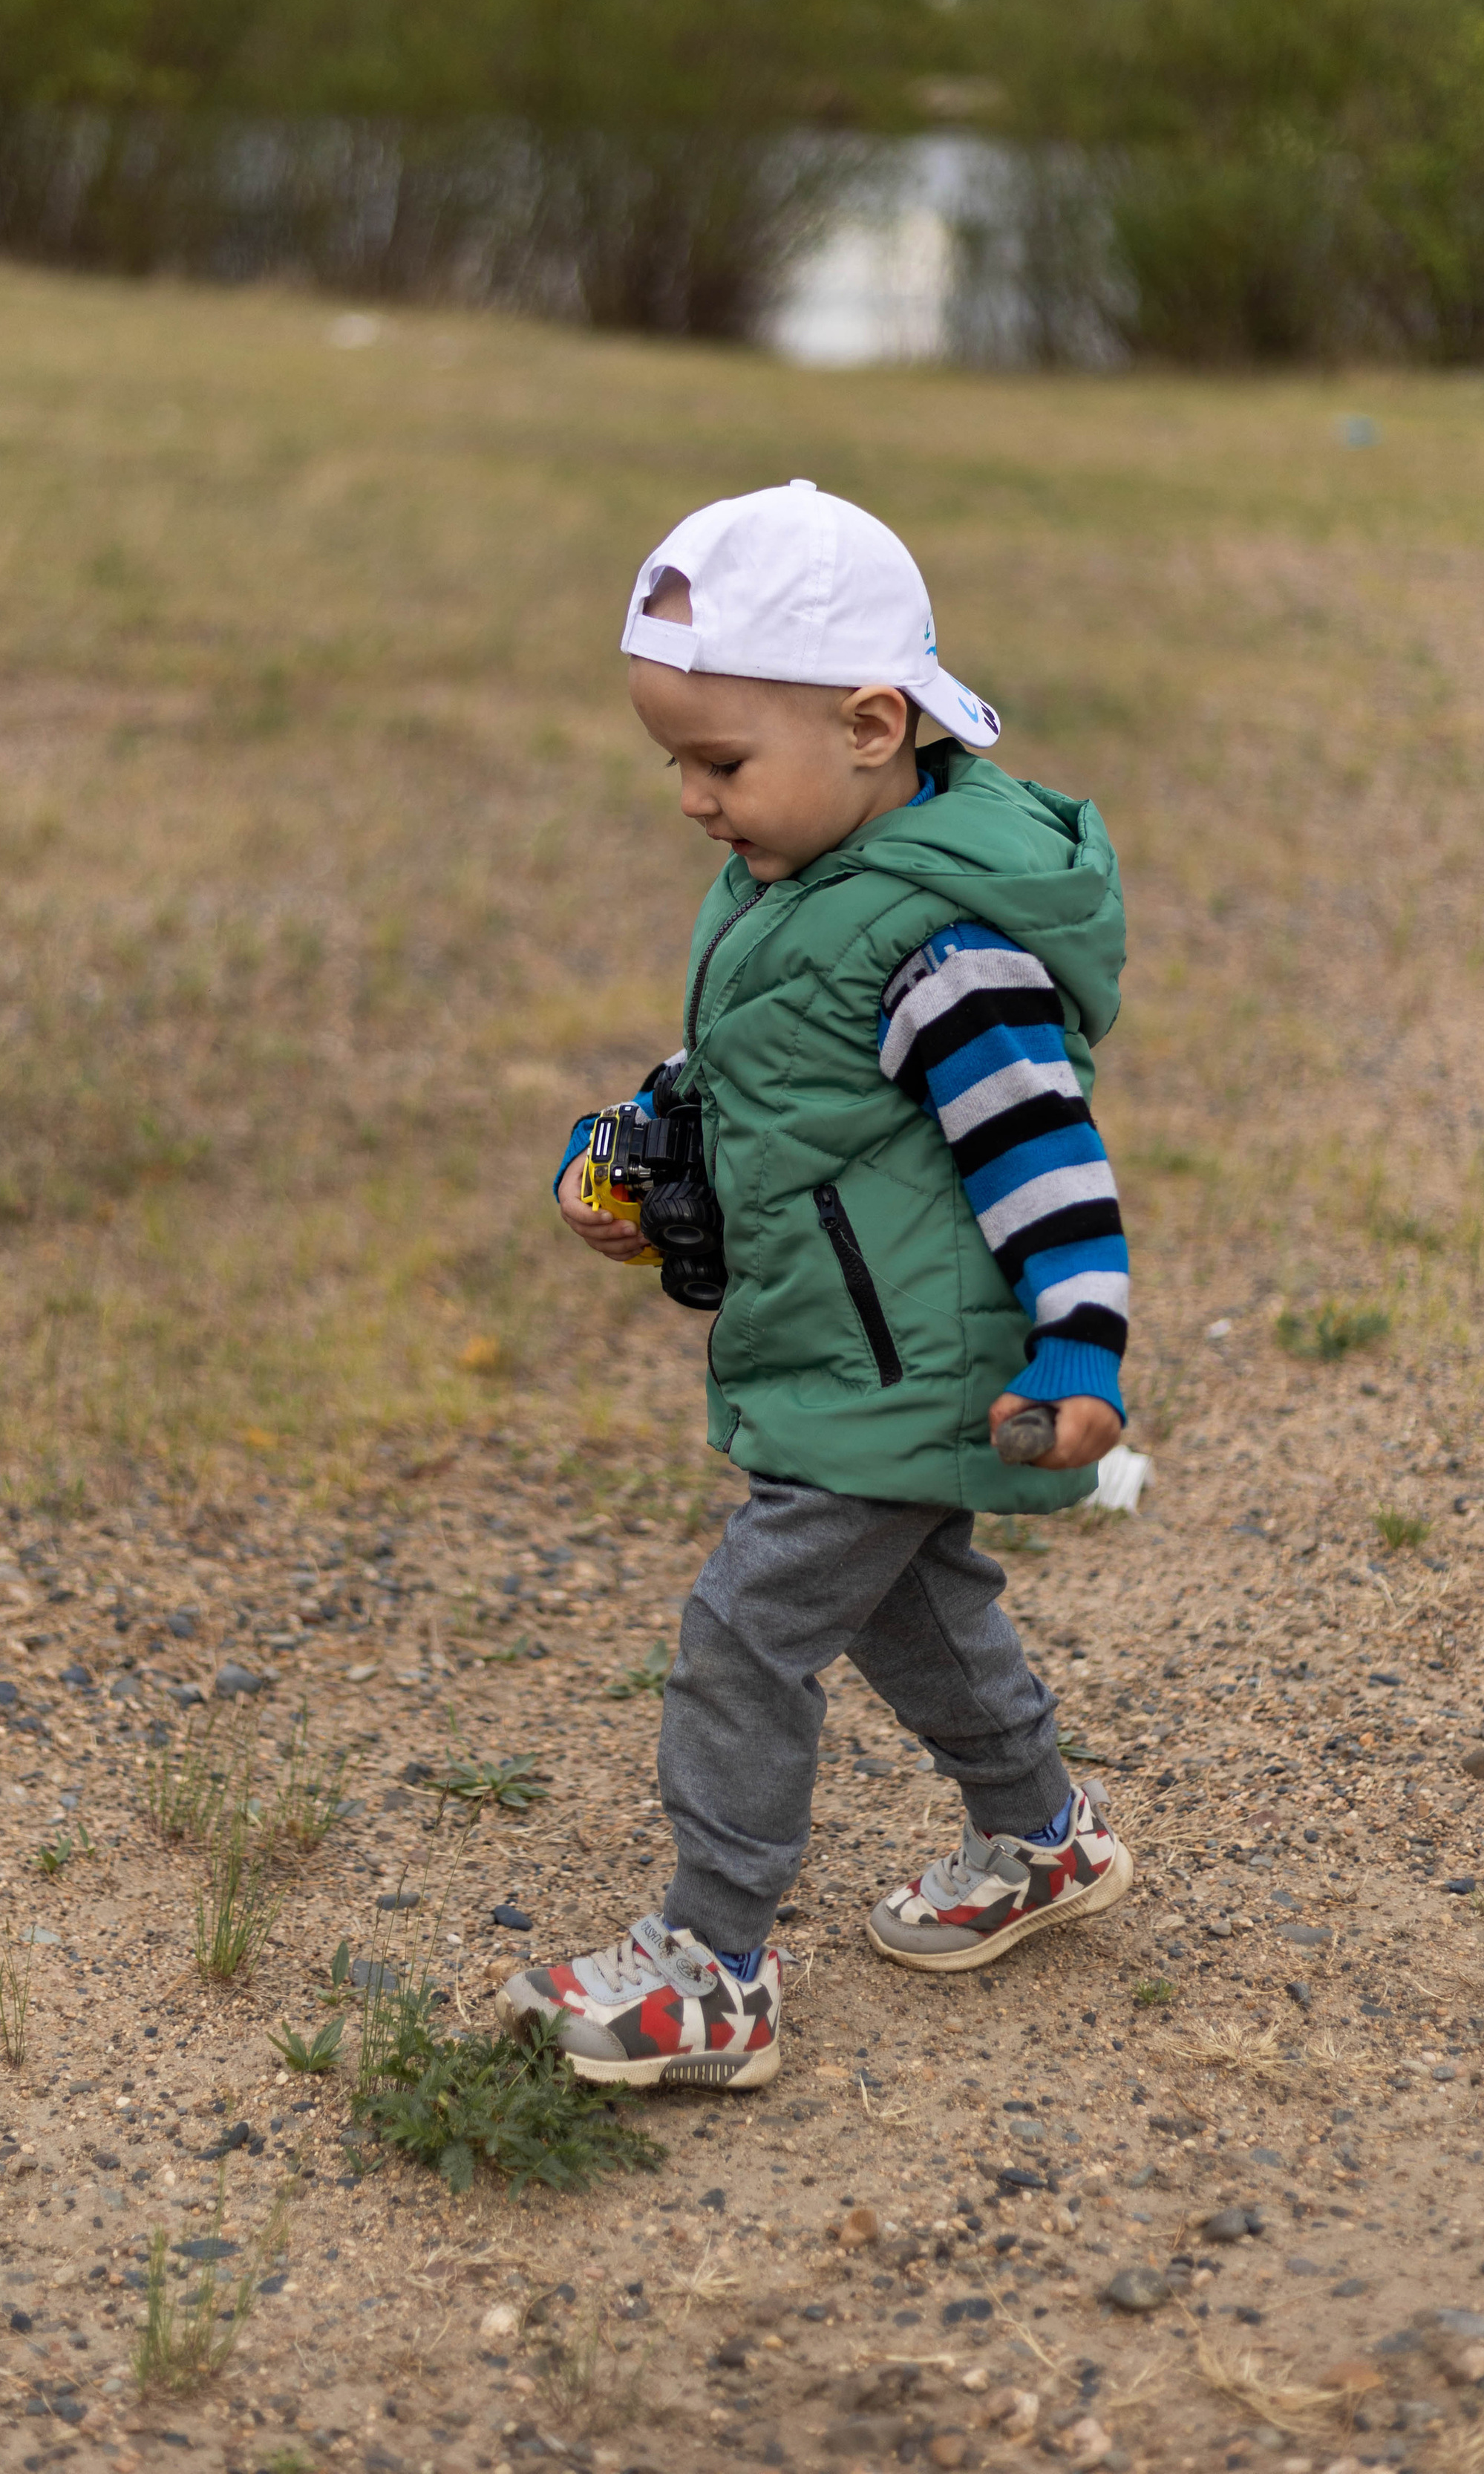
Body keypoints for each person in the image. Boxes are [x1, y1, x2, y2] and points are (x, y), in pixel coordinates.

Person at [497, 480, 1133, 2089]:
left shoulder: (943, 949)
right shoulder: (802, 885)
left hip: (905, 1361)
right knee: (914, 1613)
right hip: (848, 1351)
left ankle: (711, 1969)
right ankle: (1039, 1837)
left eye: (718, 763)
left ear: (867, 725)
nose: (693, 802)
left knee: (743, 1635)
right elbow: (757, 1070)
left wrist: (1080, 1351)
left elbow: (1044, 1159)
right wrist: (644, 1155)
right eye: (675, 764)